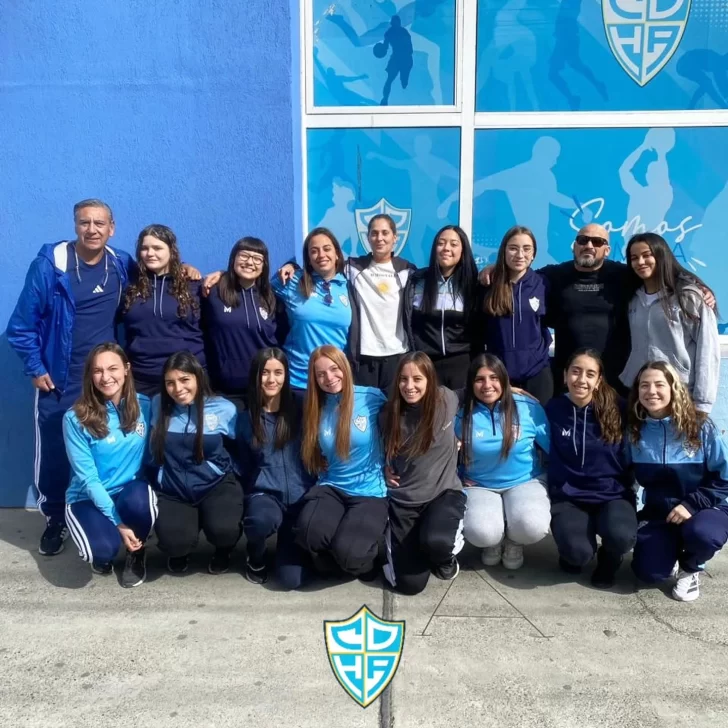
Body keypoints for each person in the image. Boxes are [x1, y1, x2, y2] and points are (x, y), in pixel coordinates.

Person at [8, 199, 134, 556]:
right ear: (75, 225)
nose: (92, 229)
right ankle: (55, 519)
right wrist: (36, 368)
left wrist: (189, 270)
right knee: (55, 453)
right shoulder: (51, 266)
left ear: (112, 228)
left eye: (99, 223)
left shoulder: (122, 263)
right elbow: (21, 326)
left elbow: (158, 278)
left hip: (105, 380)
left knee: (107, 448)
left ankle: (102, 513)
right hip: (59, 381)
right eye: (84, 222)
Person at [479, 223, 715, 392]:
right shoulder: (553, 276)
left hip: (616, 380)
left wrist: (698, 287)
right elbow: (520, 276)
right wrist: (494, 269)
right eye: (583, 240)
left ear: (607, 249)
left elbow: (661, 273)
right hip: (569, 379)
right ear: (574, 246)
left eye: (598, 241)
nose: (589, 245)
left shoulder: (624, 275)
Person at [277, 214, 416, 392]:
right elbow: (321, 263)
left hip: (397, 356)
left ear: (395, 237)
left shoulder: (408, 271)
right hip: (361, 360)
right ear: (368, 238)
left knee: (393, 408)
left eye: (385, 233)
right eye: (374, 233)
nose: (379, 238)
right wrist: (292, 265)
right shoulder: (353, 268)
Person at [628, 361, 728, 602]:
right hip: (660, 514)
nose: (651, 391)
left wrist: (691, 505)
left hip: (704, 509)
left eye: (659, 384)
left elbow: (725, 477)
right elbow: (626, 479)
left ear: (674, 388)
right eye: (644, 385)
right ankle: (671, 550)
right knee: (648, 573)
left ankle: (691, 566)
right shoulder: (634, 431)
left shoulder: (700, 426)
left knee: (703, 535)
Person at [63, 342, 155, 588]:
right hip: (88, 497)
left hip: (129, 492)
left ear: (126, 369)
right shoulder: (75, 418)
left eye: (112, 368)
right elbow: (89, 480)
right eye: (97, 370)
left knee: (140, 500)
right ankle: (108, 542)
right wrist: (118, 523)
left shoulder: (146, 406)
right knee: (101, 551)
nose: (105, 377)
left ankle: (137, 552)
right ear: (90, 375)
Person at [293, 346, 389, 579]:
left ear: (345, 367)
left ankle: (370, 551)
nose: (329, 378)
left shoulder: (372, 397)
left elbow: (400, 426)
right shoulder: (315, 407)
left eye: (334, 369)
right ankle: (341, 551)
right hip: (332, 486)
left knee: (350, 555)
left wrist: (394, 465)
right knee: (309, 535)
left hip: (369, 491)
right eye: (321, 374)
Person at [546, 349, 637, 588]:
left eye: (590, 374)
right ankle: (575, 551)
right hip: (569, 496)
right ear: (565, 375)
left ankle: (610, 556)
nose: (581, 380)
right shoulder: (553, 409)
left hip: (612, 494)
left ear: (598, 380)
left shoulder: (620, 409)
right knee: (576, 554)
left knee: (622, 536)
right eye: (575, 372)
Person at [380, 352, 466, 595]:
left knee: (436, 542)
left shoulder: (446, 399)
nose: (410, 386)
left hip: (443, 494)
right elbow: (372, 450)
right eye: (403, 379)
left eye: (417, 379)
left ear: (430, 379)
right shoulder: (387, 414)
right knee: (410, 585)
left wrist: (512, 390)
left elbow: (479, 390)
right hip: (404, 501)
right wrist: (383, 468)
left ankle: (444, 557)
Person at [150, 352, 243, 575]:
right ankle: (182, 546)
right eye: (170, 382)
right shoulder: (158, 404)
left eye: (184, 380)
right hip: (174, 489)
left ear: (198, 378)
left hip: (215, 484)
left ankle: (223, 549)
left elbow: (241, 446)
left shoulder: (224, 408)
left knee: (224, 530)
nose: (178, 388)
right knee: (174, 542)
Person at [456, 354, 551, 569]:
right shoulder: (460, 413)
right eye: (479, 379)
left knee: (532, 526)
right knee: (482, 533)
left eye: (494, 378)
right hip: (479, 485)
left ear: (504, 380)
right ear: (471, 383)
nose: (487, 385)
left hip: (526, 480)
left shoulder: (527, 407)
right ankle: (494, 541)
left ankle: (514, 540)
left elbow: (552, 448)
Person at [238, 348, 314, 588]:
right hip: (267, 496)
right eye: (265, 373)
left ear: (286, 375)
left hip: (302, 498)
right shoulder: (245, 418)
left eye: (278, 373)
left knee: (291, 580)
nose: (271, 379)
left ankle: (295, 548)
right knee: (260, 520)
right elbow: (243, 464)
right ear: (255, 375)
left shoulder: (303, 407)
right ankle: (256, 556)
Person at [620, 233, 720, 413]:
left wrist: (702, 403)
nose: (640, 262)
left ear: (661, 255)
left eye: (647, 255)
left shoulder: (688, 296)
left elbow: (708, 350)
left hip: (680, 394)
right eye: (634, 258)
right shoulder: (632, 299)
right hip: (642, 396)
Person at [121, 224, 205, 396]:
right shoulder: (130, 285)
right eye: (145, 248)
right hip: (142, 378)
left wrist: (221, 274)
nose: (150, 253)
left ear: (172, 250)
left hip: (186, 377)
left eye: (157, 248)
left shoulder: (193, 285)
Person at [202, 237, 284, 409]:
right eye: (244, 256)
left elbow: (281, 340)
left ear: (264, 265)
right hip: (224, 391)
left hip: (264, 389)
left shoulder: (271, 298)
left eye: (257, 259)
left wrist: (293, 265)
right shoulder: (213, 292)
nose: (250, 262)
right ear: (233, 258)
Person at [478, 226, 553, 404]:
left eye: (526, 249)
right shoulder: (488, 285)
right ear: (503, 251)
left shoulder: (543, 283)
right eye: (513, 248)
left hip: (537, 372)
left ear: (534, 254)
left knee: (539, 421)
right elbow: (478, 332)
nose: (520, 254)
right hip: (498, 374)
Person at [272, 228, 352, 390]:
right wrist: (223, 277)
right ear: (308, 259)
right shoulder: (293, 281)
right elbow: (254, 286)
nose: (321, 255)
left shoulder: (350, 286)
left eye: (327, 249)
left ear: (337, 254)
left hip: (335, 381)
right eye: (314, 251)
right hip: (298, 381)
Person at [404, 225, 479, 389]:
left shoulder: (474, 284)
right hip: (426, 365)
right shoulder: (417, 281)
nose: (446, 248)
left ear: (463, 250)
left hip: (463, 364)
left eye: (454, 244)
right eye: (441, 243)